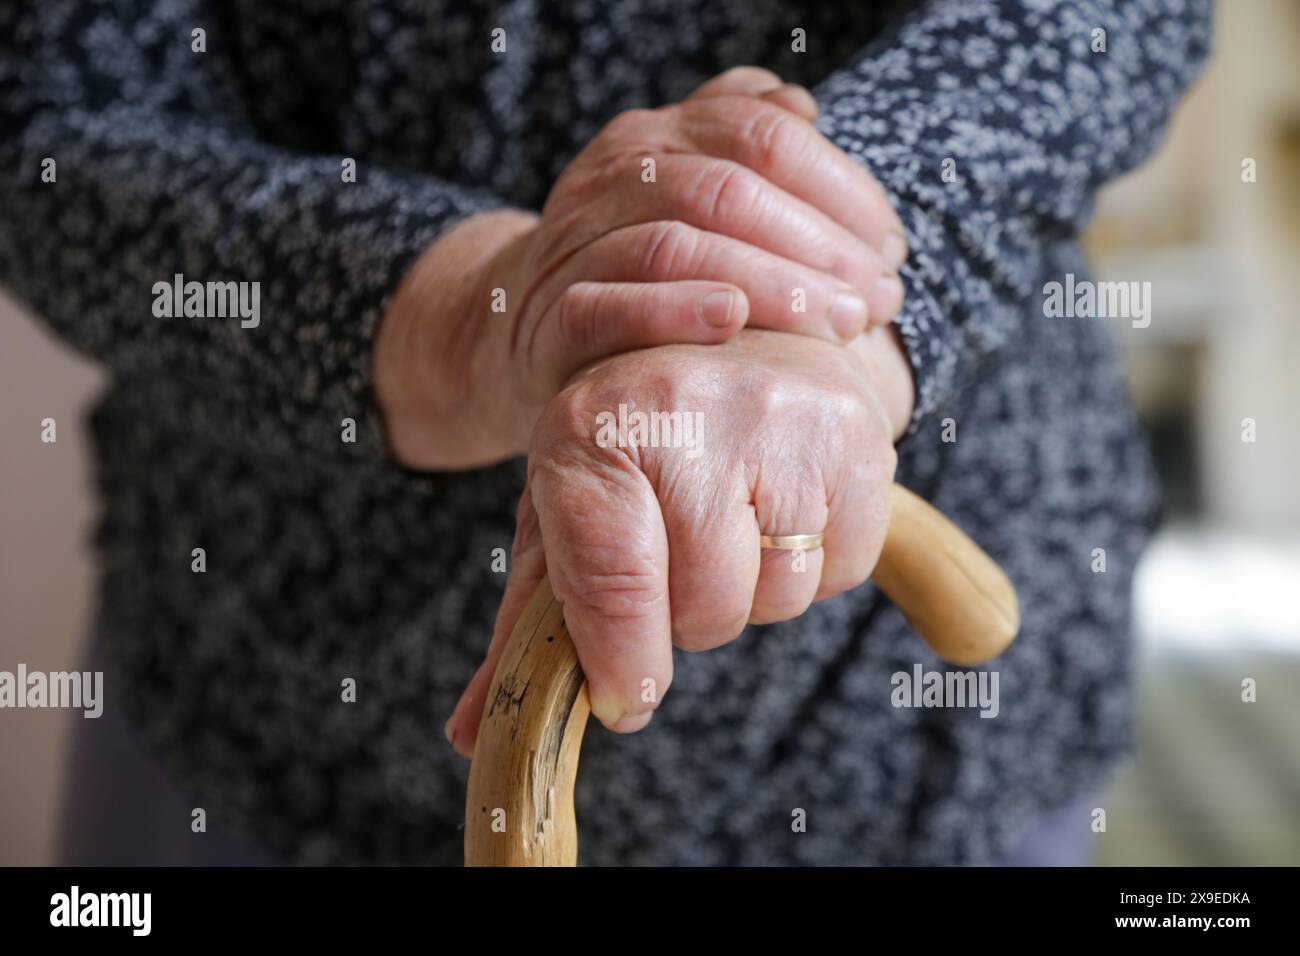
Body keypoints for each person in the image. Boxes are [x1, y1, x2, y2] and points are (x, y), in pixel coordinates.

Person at [0, 0, 1210, 866]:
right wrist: (468, 312)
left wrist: (823, 280)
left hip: (907, 750)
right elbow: (50, 109)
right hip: (262, 707)